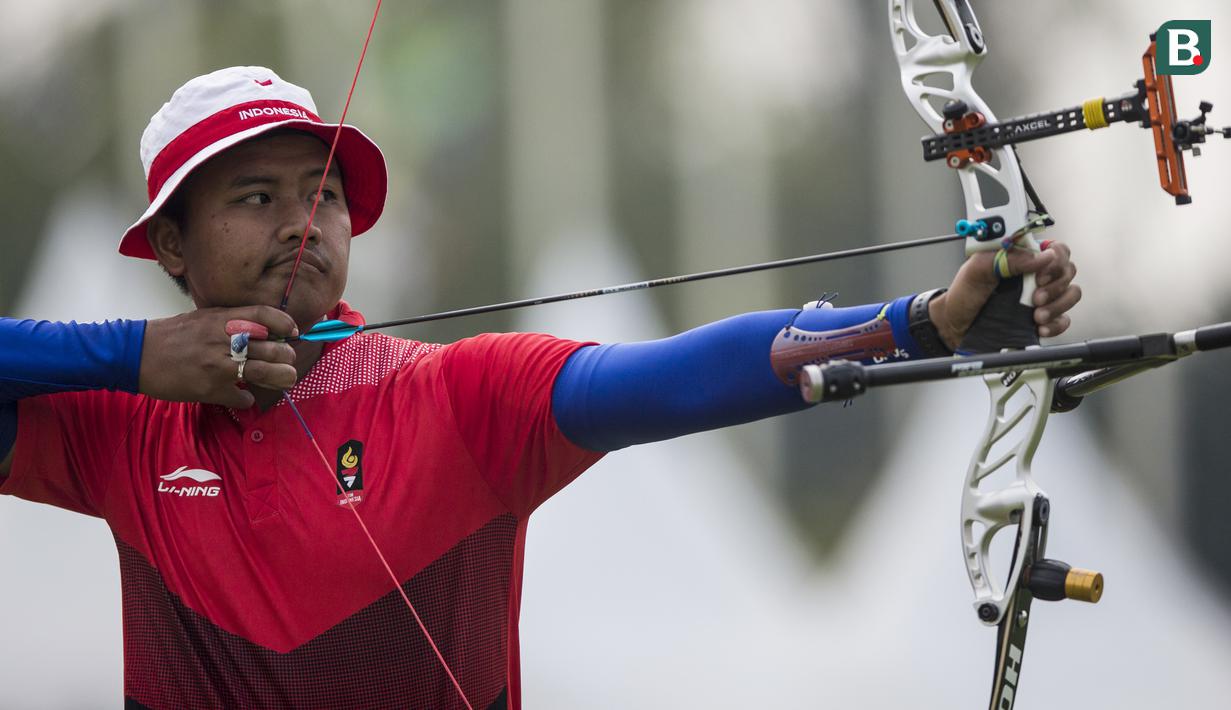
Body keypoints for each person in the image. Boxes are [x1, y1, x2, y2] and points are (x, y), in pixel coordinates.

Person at [0, 67, 1079, 710]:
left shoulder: (448, 397)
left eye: (322, 194)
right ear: (175, 250)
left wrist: (918, 323)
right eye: (254, 196)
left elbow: (671, 377)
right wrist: (129, 358)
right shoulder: (113, 427)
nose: (302, 222)